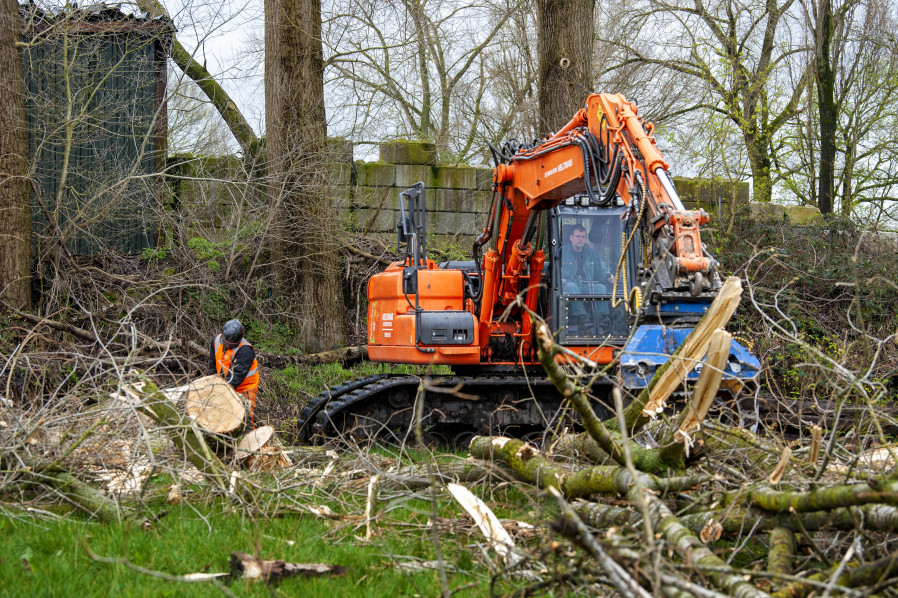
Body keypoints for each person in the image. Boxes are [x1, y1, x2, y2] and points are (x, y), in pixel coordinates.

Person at [208, 319, 260, 426]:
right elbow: (212, 365)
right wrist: (211, 386)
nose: (227, 345)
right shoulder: (216, 341)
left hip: (245, 388)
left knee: (246, 418)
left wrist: (220, 393)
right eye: (226, 342)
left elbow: (236, 377)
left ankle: (250, 439)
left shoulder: (245, 350)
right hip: (225, 383)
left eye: (231, 345)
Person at [561, 224, 613, 293]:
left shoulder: (592, 254)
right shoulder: (561, 252)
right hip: (569, 286)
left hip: (587, 285)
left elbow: (600, 271)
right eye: (578, 236)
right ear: (571, 238)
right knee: (572, 288)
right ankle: (578, 304)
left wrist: (607, 278)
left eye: (583, 237)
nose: (580, 239)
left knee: (601, 288)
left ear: (585, 239)